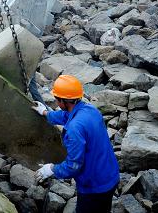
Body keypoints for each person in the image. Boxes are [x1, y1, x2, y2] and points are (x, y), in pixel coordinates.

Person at [31, 75, 119, 213]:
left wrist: (52, 169)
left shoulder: (74, 129)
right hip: (109, 174)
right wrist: (46, 113)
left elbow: (73, 166)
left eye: (56, 99)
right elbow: (65, 116)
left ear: (63, 101)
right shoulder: (90, 110)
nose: (56, 101)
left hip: (94, 186)